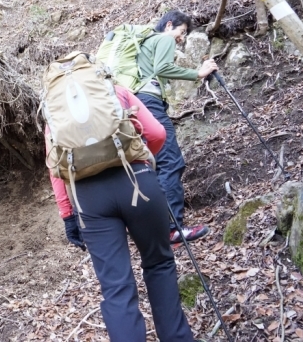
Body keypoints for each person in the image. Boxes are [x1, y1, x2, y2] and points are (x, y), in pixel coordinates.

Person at [48, 85, 195, 342]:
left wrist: (67, 215)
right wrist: (142, 158)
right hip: (138, 179)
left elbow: (54, 167)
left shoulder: (55, 107)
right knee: (159, 263)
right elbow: (157, 133)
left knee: (116, 287)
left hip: (89, 198)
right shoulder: (112, 89)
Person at [135, 10, 218, 245]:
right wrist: (198, 73)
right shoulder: (162, 39)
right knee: (170, 161)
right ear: (169, 25)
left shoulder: (143, 45)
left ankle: (155, 228)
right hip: (149, 104)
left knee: (153, 166)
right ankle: (172, 228)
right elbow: (162, 68)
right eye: (181, 32)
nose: (181, 38)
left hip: (135, 107)